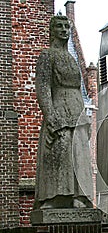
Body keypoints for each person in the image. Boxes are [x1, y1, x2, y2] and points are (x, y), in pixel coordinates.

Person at [34, 14, 93, 209]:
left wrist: (85, 117)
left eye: (66, 27)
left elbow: (78, 89)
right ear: (51, 30)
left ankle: (79, 196)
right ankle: (55, 198)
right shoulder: (47, 55)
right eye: (59, 26)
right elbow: (43, 87)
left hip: (77, 111)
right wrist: (50, 115)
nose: (63, 30)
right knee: (59, 153)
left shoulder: (71, 59)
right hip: (59, 108)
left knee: (79, 155)